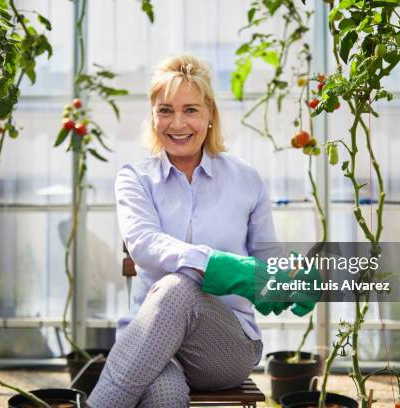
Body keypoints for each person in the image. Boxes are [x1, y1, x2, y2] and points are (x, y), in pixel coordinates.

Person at [87, 54, 317, 408]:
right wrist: (219, 266)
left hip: (224, 348)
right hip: (151, 339)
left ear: (210, 114)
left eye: (191, 110)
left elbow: (270, 260)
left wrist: (292, 277)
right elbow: (144, 244)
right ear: (153, 116)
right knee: (165, 398)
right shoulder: (135, 178)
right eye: (165, 110)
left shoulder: (245, 179)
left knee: (179, 286)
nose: (177, 123)